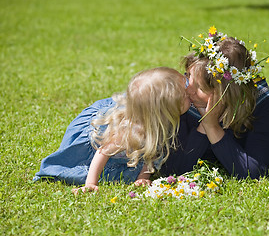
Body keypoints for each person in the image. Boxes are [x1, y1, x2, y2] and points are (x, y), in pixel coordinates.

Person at [160, 26, 269, 179]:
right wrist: (204, 125)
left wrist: (212, 126)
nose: (188, 90)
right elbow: (174, 169)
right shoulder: (185, 101)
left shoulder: (260, 103)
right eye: (188, 76)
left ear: (226, 93)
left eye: (200, 87)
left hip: (249, 137)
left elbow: (255, 172)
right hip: (221, 142)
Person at [33, 67, 191, 192]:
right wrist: (91, 183)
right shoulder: (129, 133)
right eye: (184, 94)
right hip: (98, 145)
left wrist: (142, 177)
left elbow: (151, 154)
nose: (189, 92)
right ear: (166, 110)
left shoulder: (159, 123)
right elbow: (102, 152)